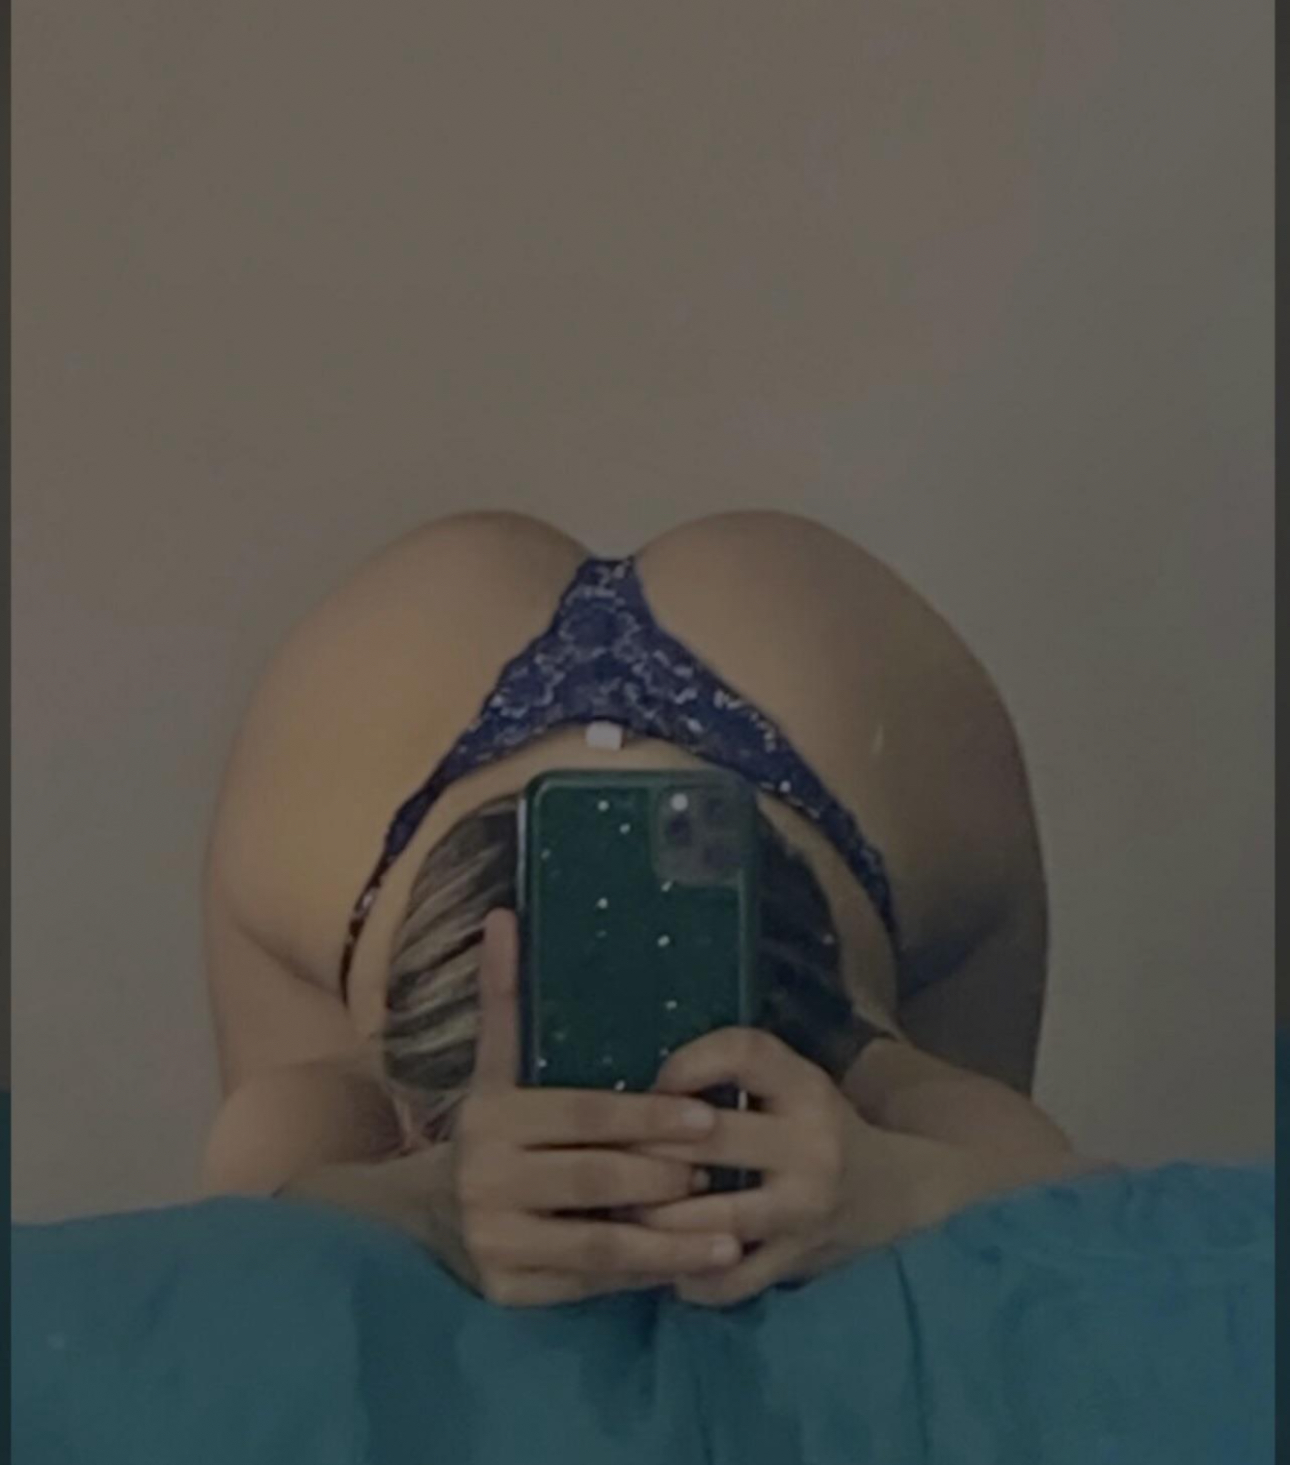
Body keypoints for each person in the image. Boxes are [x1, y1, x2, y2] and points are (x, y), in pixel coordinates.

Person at [201, 510, 1092, 1307]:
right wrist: (423, 1205)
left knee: (943, 1271)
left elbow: (1098, 1230)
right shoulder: (346, 1068)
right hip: (798, 675)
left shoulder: (865, 1058)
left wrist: (899, 1190)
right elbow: (229, 1247)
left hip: (836, 725)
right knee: (320, 1285)